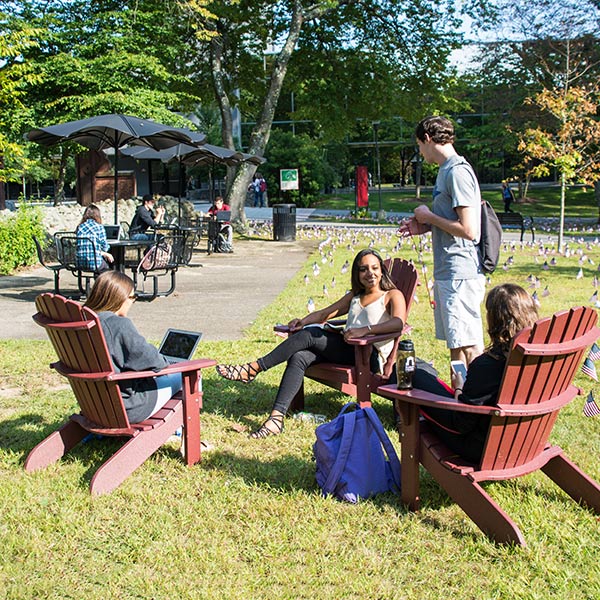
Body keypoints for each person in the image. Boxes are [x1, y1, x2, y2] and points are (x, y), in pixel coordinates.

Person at [216, 249, 407, 438]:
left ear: (382, 270)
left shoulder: (391, 295)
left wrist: (366, 330)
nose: (370, 273)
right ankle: (276, 418)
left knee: (311, 334)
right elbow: (325, 313)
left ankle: (254, 368)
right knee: (299, 356)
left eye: (374, 268)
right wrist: (303, 321)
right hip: (347, 349)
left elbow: (398, 323)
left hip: (368, 355)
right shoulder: (355, 297)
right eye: (363, 269)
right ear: (357, 274)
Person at [410, 283, 539, 463]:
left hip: (480, 446)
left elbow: (461, 424)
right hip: (525, 440)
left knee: (416, 375)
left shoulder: (489, 365)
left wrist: (459, 389)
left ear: (494, 318)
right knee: (423, 374)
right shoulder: (539, 359)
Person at [399, 115, 484, 366]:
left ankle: (475, 399)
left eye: (418, 145)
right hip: (449, 272)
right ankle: (458, 399)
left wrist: (429, 216)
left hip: (460, 272)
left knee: (469, 345)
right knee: (455, 343)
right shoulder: (445, 171)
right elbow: (450, 221)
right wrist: (423, 226)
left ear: (427, 139)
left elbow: (469, 230)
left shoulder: (457, 172)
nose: (420, 152)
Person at [83, 270, 182, 424]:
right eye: (132, 297)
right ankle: (178, 430)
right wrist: (166, 363)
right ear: (120, 298)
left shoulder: (81, 324)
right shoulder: (118, 325)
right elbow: (153, 361)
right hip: (128, 406)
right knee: (188, 376)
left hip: (92, 404)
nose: (132, 302)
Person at [75, 204, 114, 272]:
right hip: (95, 264)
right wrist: (104, 253)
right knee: (108, 265)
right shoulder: (99, 227)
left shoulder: (80, 227)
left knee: (100, 260)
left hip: (80, 263)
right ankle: (104, 281)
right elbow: (105, 247)